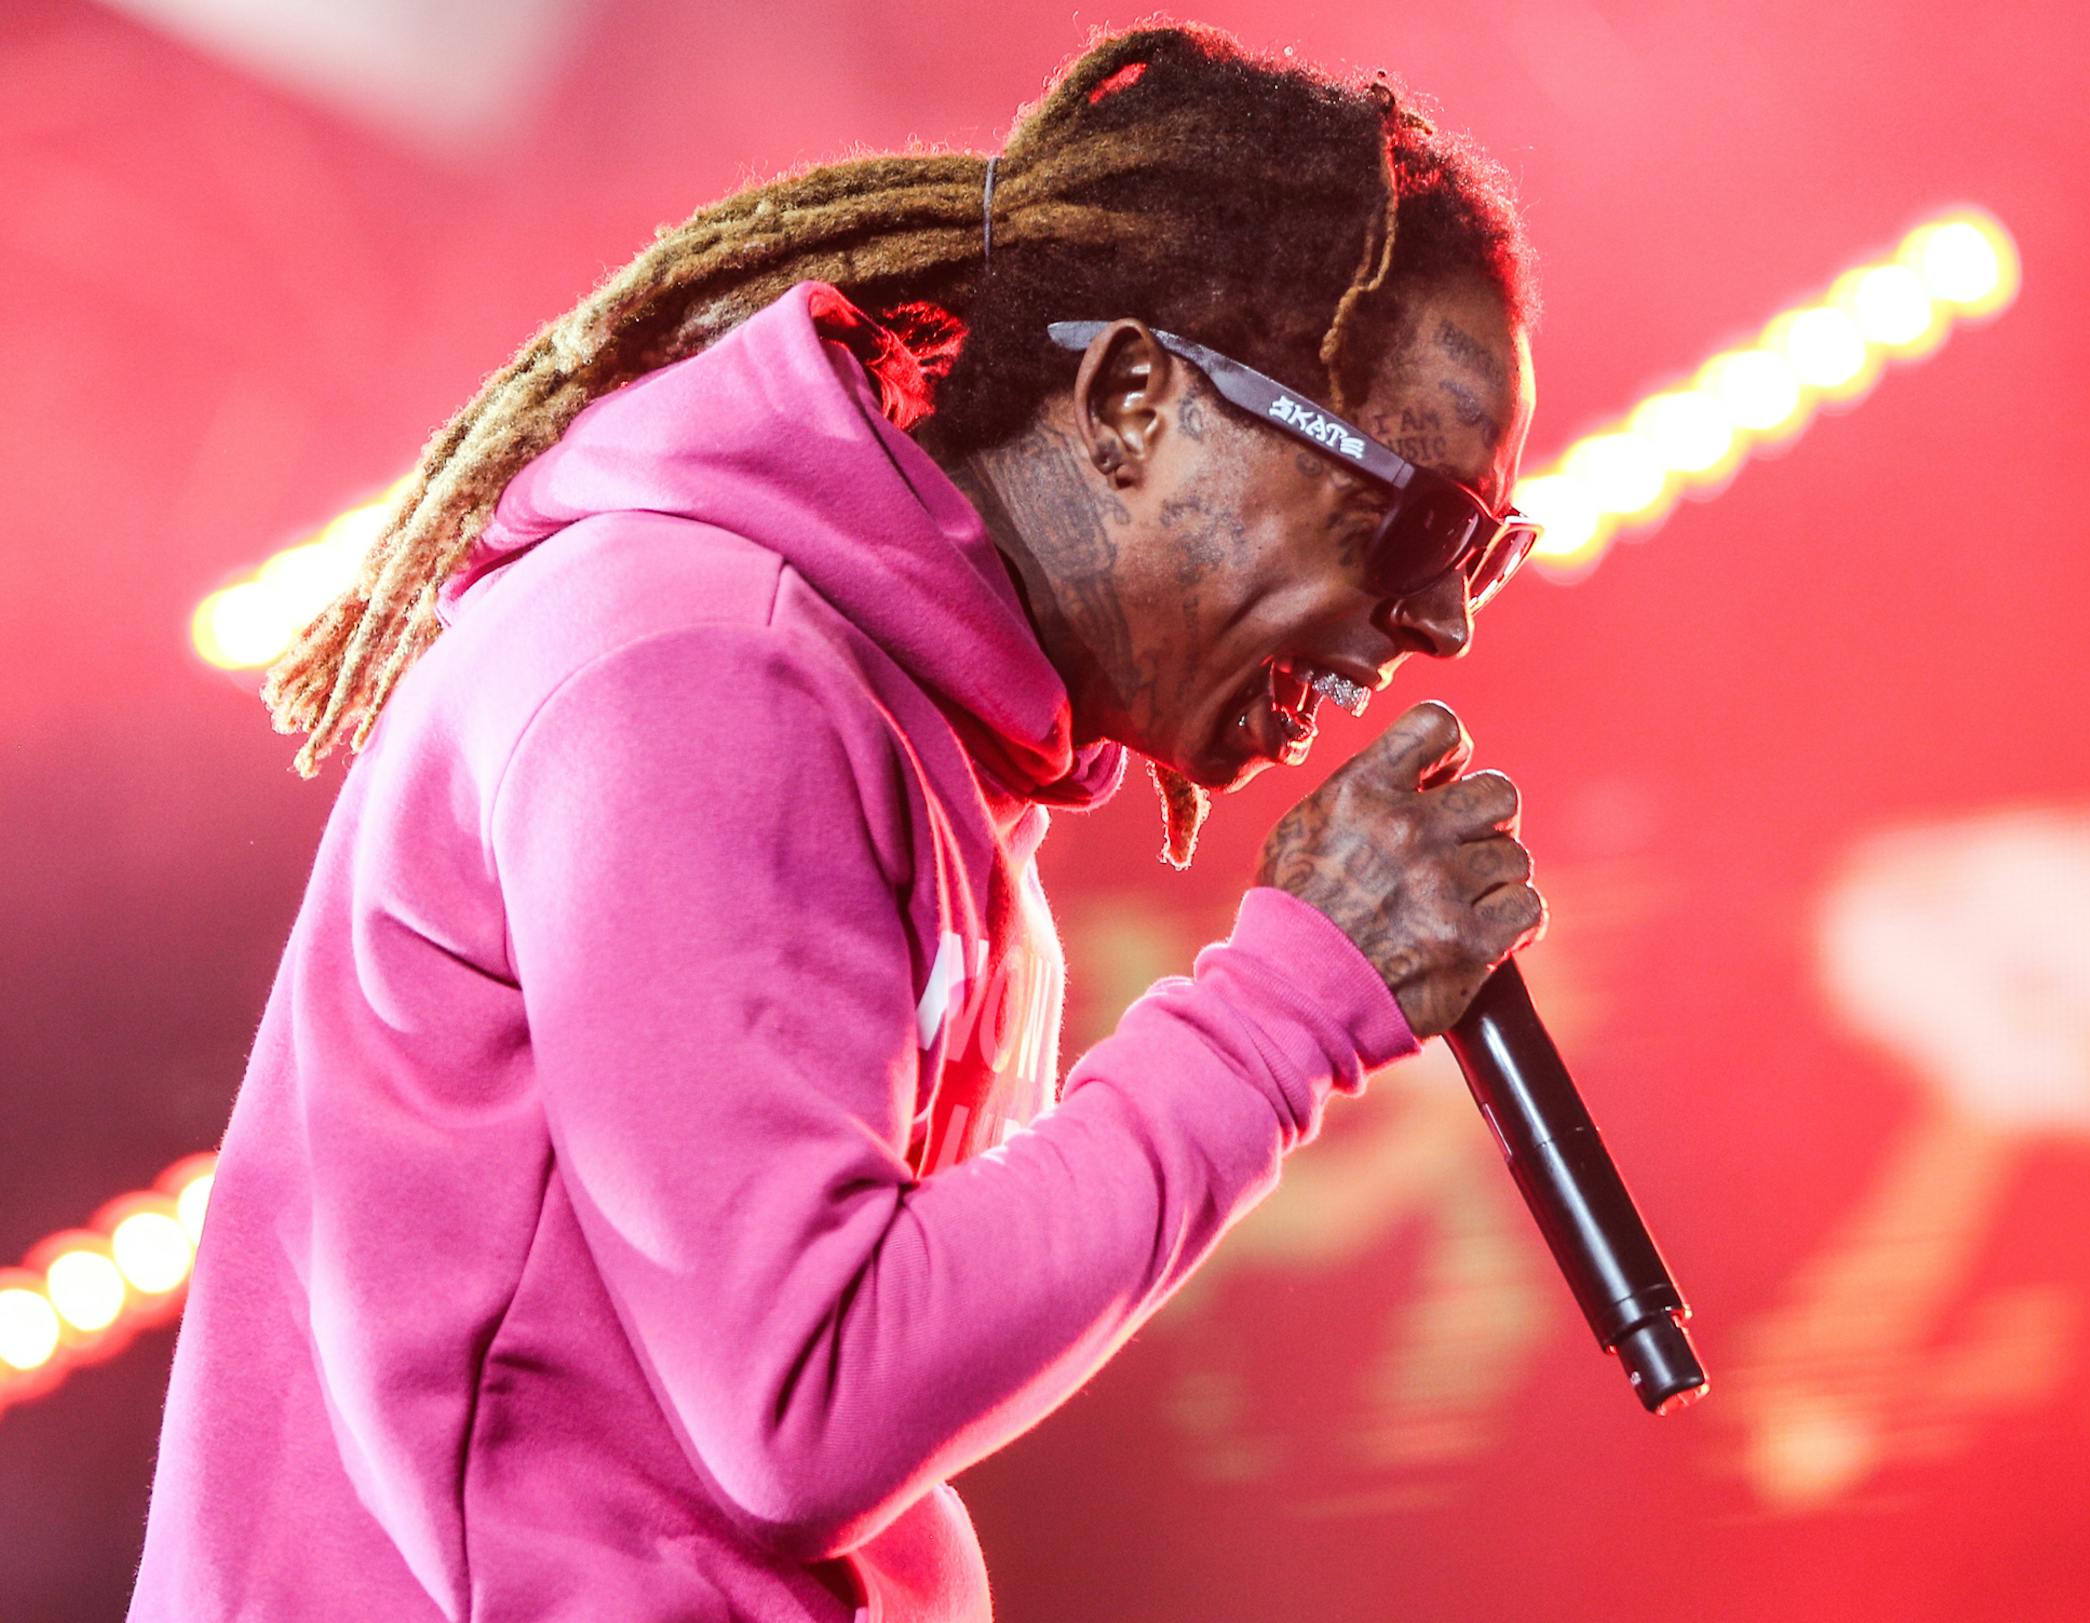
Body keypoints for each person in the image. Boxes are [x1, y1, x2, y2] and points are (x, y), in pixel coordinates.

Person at [131, 23, 1544, 1621]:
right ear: (1139, 398)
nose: (1441, 621)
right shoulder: (703, 672)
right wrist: (1283, 1015)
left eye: (1484, 548)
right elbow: (808, 1400)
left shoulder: (908, 730)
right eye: (1420, 515)